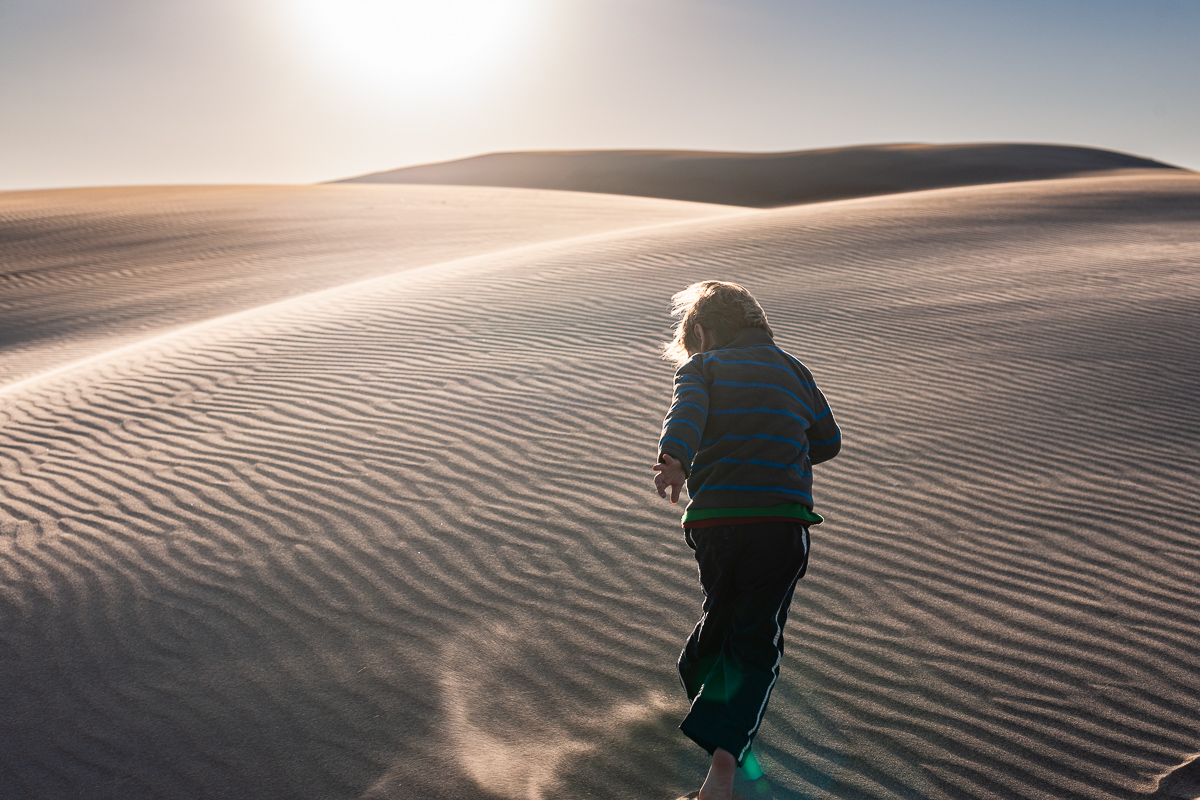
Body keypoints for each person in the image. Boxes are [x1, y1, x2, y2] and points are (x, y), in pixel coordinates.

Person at [653, 281, 841, 800]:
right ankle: (729, 757)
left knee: (718, 640)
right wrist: (782, 448)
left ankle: (724, 767)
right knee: (753, 643)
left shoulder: (701, 368)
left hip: (716, 526)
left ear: (703, 333)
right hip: (779, 528)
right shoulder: (793, 369)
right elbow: (828, 441)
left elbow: (686, 416)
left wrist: (675, 461)